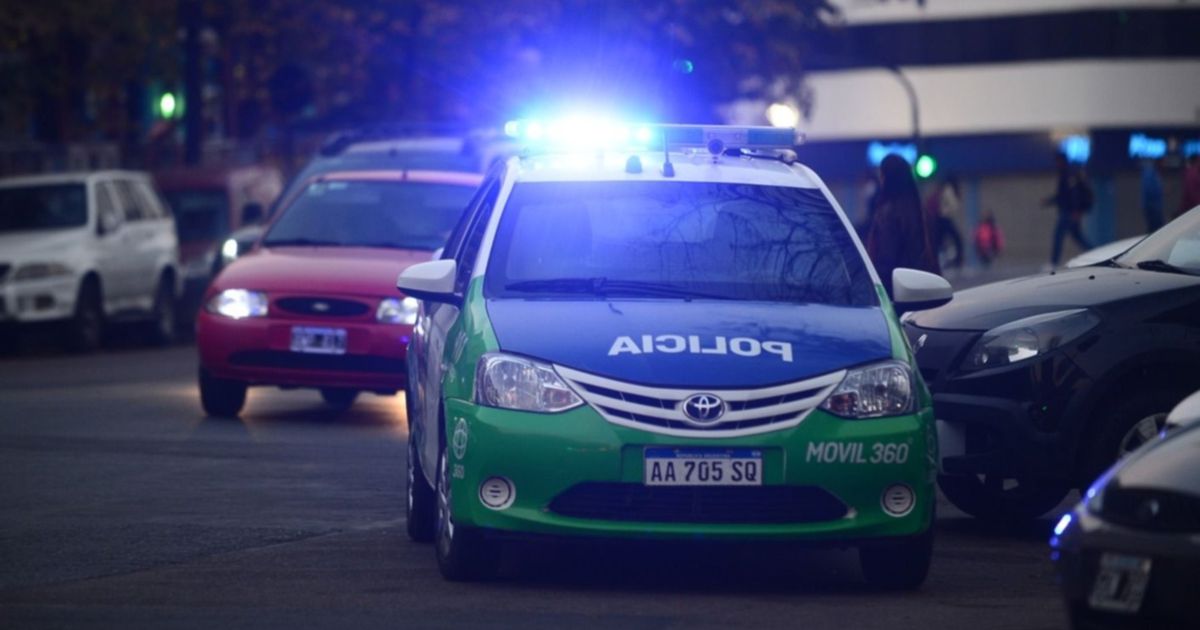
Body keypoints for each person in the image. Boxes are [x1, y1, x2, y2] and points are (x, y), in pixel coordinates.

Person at [865, 153, 940, 298]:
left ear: (886, 178)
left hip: (895, 294)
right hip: (925, 289)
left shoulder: (887, 214)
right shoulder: (921, 212)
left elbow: (885, 259)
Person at [1044, 151, 1092, 268]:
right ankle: (1096, 253)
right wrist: (1049, 201)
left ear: (1061, 161)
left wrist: (1076, 211)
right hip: (1068, 211)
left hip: (1068, 212)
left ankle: (1053, 263)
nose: (1056, 164)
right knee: (1078, 237)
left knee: (1058, 236)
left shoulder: (1068, 173)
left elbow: (1073, 194)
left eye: (1057, 161)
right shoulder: (1066, 173)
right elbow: (1062, 195)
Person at [924, 173, 965, 269]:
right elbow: (952, 205)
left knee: (938, 241)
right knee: (956, 238)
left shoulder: (942, 188)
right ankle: (957, 261)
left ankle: (936, 260)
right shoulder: (949, 189)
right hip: (944, 217)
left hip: (939, 218)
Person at [1140, 159, 1165, 232]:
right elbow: (1149, 189)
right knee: (1155, 229)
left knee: (1156, 229)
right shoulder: (1150, 173)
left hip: (1154, 207)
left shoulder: (1155, 173)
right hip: (1152, 207)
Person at [1180, 154, 1200, 219]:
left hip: (1190, 209)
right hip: (1192, 209)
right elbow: (1193, 194)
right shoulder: (1192, 173)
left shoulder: (1191, 173)